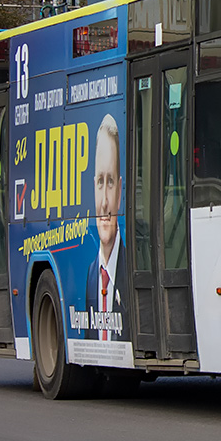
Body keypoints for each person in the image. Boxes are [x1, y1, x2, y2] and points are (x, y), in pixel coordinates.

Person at [86, 113, 127, 342]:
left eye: (110, 182)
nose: (103, 203)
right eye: (100, 182)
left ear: (120, 190)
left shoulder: (132, 272)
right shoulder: (91, 275)